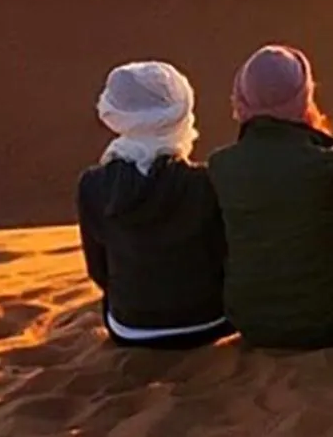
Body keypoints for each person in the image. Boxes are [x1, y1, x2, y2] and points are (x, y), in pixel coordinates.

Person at [208, 45, 333, 349]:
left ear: (242, 98)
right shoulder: (332, 165)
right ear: (306, 98)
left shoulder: (221, 167)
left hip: (252, 323)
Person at [77, 61, 231, 349]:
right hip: (212, 321)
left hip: (131, 328)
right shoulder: (207, 182)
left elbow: (99, 271)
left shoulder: (93, 185)